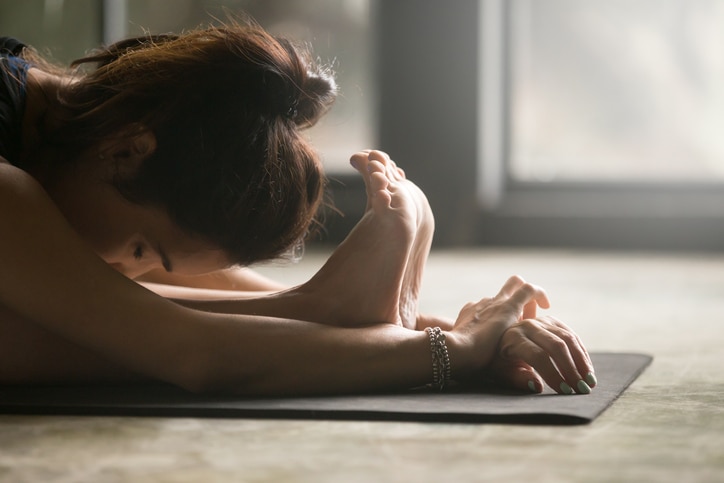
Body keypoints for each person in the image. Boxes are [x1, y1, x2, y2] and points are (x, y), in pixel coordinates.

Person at [0, 20, 596, 396]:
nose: (128, 270)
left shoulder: (57, 130)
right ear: (130, 149)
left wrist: (422, 326)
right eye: (139, 248)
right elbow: (188, 349)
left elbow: (98, 295)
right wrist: (455, 353)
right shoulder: (11, 189)